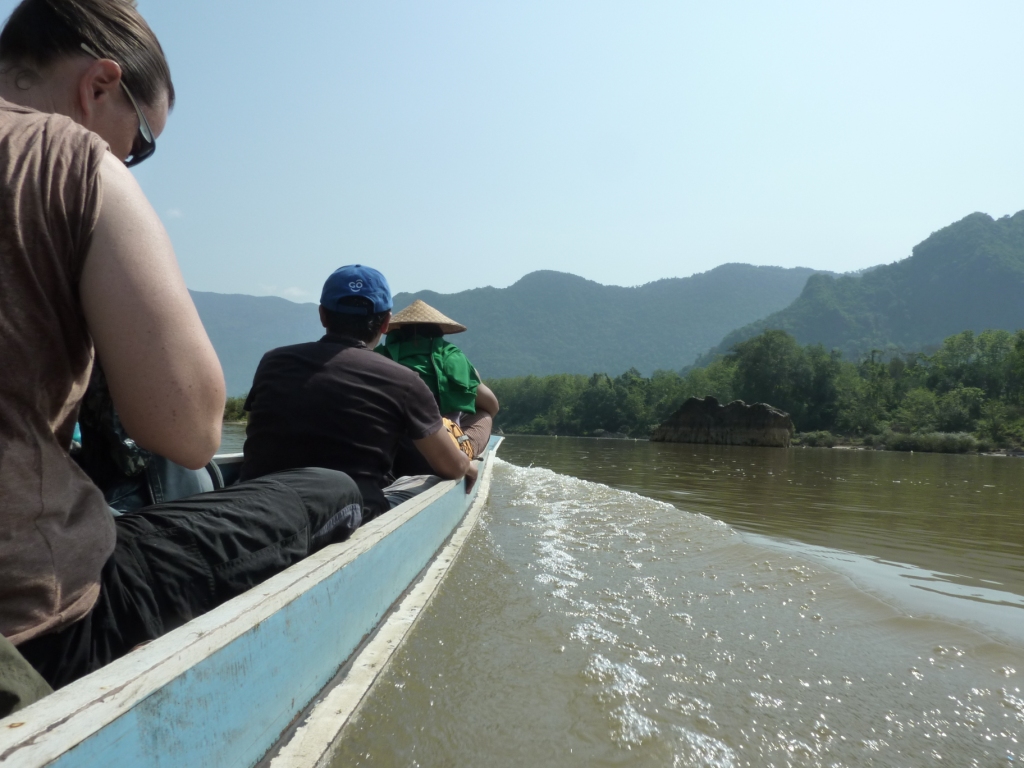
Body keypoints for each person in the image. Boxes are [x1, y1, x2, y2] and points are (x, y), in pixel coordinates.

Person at [0, 0, 363, 691]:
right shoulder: (71, 159)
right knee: (332, 489)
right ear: (99, 87)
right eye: (141, 144)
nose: (132, 162)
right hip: (39, 626)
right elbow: (191, 430)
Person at [240, 265, 478, 519]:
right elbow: (451, 468)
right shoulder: (405, 380)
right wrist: (468, 465)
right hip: (346, 515)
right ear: (386, 323)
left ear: (322, 315)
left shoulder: (273, 361)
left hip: (258, 505)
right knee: (427, 479)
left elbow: (256, 435)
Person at [377, 299, 499, 461]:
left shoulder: (379, 356)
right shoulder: (452, 357)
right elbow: (492, 406)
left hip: (389, 447)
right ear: (438, 332)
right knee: (484, 415)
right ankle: (462, 455)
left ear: (399, 331)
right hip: (444, 450)